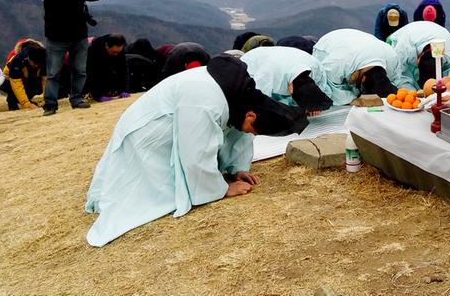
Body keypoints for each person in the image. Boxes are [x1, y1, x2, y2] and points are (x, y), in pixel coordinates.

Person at [84, 55, 308, 247]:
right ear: (251, 115)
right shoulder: (207, 100)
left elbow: (235, 133)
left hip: (162, 123)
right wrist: (222, 189)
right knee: (158, 191)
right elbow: (195, 155)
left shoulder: (237, 94)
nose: (249, 133)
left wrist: (237, 169)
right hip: (145, 135)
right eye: (253, 129)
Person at [39, 0, 104, 116]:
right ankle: (50, 104)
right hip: (57, 36)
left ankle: (77, 98)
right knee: (53, 73)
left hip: (79, 34)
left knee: (80, 70)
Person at [312, 28, 401, 106]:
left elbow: (395, 81)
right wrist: (351, 99)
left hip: (359, 43)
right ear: (363, 79)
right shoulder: (338, 63)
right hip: (328, 43)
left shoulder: (392, 58)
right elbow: (327, 85)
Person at [241, 46, 333, 117]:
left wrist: (314, 104)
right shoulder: (267, 75)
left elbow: (322, 89)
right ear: (291, 89)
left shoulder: (315, 68)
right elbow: (258, 100)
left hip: (285, 58)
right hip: (249, 65)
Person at [386, 21, 450, 91]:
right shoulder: (403, 49)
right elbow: (399, 76)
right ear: (418, 60)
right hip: (405, 35)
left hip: (440, 35)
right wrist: (414, 93)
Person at [84, 33, 130, 102]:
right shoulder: (94, 49)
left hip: (107, 65)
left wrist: (125, 90)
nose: (116, 54)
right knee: (102, 71)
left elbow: (123, 70)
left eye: (118, 52)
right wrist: (97, 95)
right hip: (94, 68)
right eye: (114, 52)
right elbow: (92, 73)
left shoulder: (119, 49)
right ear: (107, 46)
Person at [2, 40, 47, 110]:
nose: (36, 66)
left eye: (38, 64)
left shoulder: (44, 59)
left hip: (27, 79)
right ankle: (12, 100)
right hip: (7, 80)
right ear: (28, 58)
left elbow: (45, 81)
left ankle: (26, 99)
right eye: (34, 64)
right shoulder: (17, 61)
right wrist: (27, 104)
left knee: (38, 87)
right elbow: (17, 86)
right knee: (12, 88)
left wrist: (46, 100)